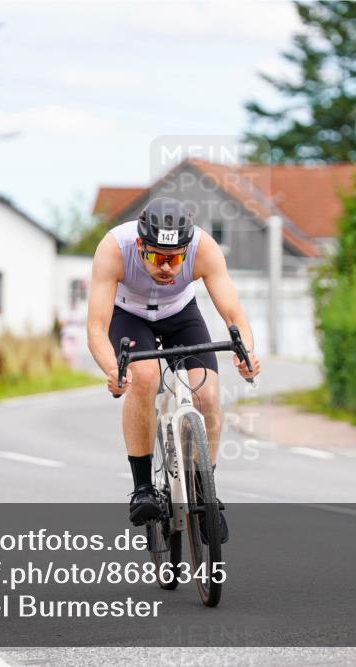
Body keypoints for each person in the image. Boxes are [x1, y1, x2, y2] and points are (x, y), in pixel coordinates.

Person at [86, 197, 261, 542]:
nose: (166, 267)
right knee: (145, 377)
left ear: (186, 250)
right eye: (156, 258)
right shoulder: (114, 248)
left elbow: (234, 314)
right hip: (129, 316)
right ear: (140, 246)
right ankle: (142, 489)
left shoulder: (204, 249)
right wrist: (114, 371)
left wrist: (247, 354)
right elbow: (96, 328)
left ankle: (204, 491)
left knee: (207, 395)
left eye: (175, 259)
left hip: (180, 314)